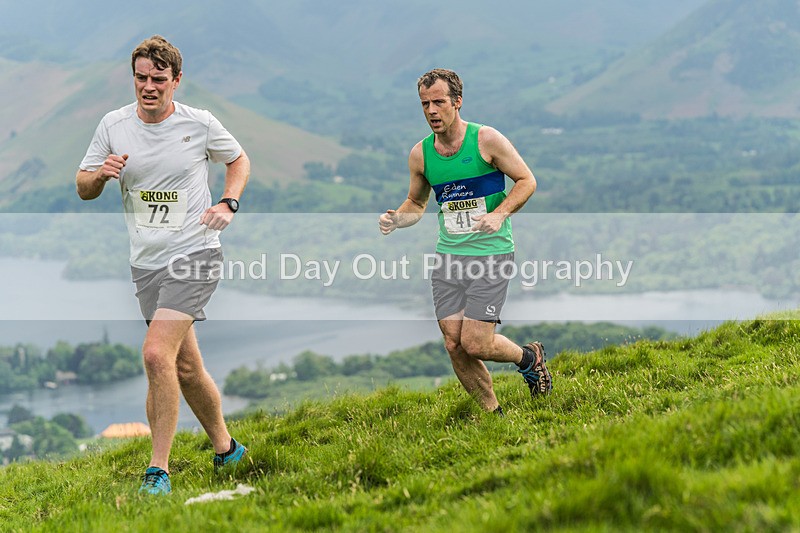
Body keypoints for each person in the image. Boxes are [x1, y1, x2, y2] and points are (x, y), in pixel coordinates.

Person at [76, 35, 249, 495]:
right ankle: (228, 450)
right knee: (185, 367)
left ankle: (158, 471)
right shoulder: (113, 125)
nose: (147, 87)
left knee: (155, 354)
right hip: (146, 264)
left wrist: (228, 203)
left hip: (196, 254)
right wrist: (100, 175)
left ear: (175, 80)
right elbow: (82, 186)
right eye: (140, 78)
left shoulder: (200, 123)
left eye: (158, 79)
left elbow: (238, 160)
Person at [379, 68, 552, 414]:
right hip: (448, 258)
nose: (431, 110)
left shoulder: (486, 140)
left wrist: (499, 214)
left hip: (491, 254)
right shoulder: (421, 155)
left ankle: (529, 358)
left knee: (475, 342)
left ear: (457, 102)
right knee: (454, 344)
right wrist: (398, 218)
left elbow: (526, 180)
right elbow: (416, 202)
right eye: (425, 104)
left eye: (439, 102)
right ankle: (494, 415)